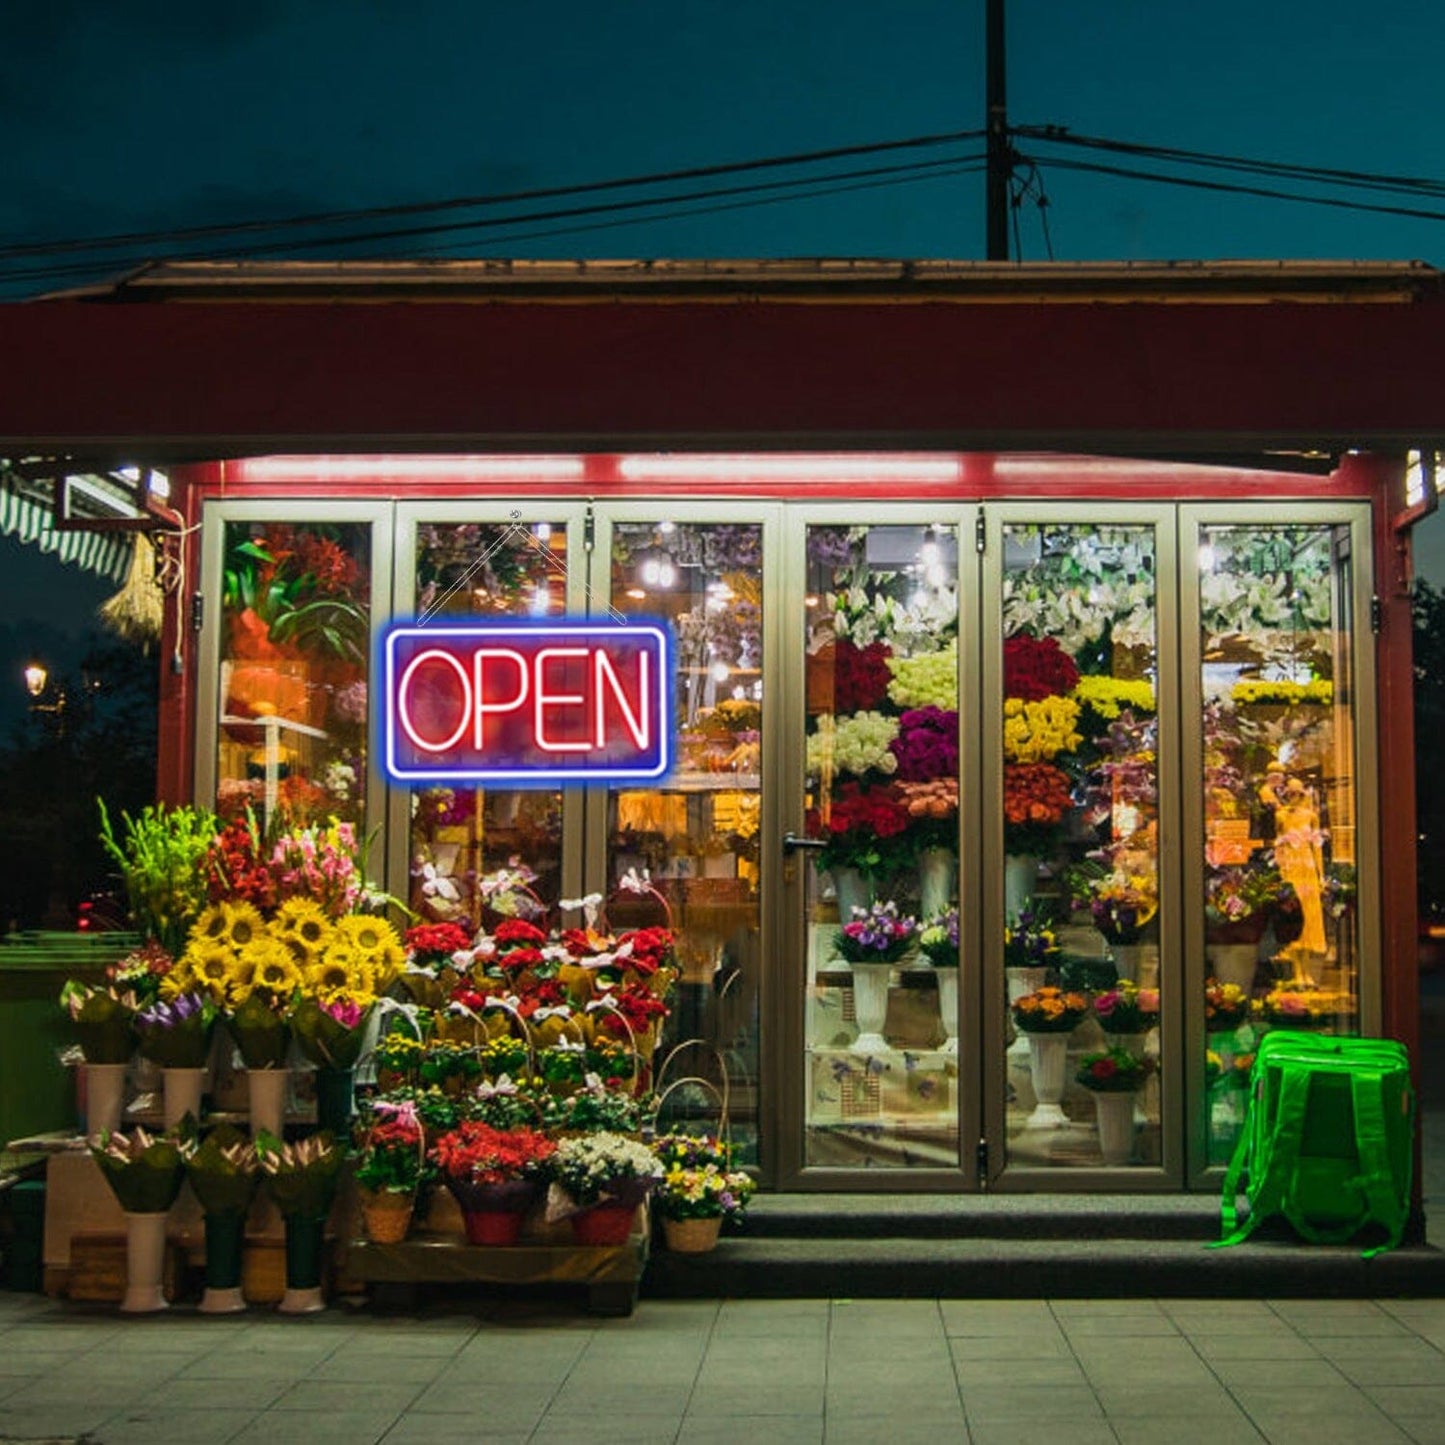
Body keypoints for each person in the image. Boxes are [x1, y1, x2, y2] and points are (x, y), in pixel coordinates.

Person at [1259, 770, 1328, 983]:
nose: (1293, 798)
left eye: (1297, 794)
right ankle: (1296, 971)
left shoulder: (1311, 816)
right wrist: (1280, 871)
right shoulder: (1281, 816)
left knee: (1309, 914)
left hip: (1307, 866)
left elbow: (1317, 849)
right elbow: (1277, 845)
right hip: (1290, 866)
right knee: (1292, 912)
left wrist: (1320, 875)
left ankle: (1306, 972)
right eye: (1290, 795)